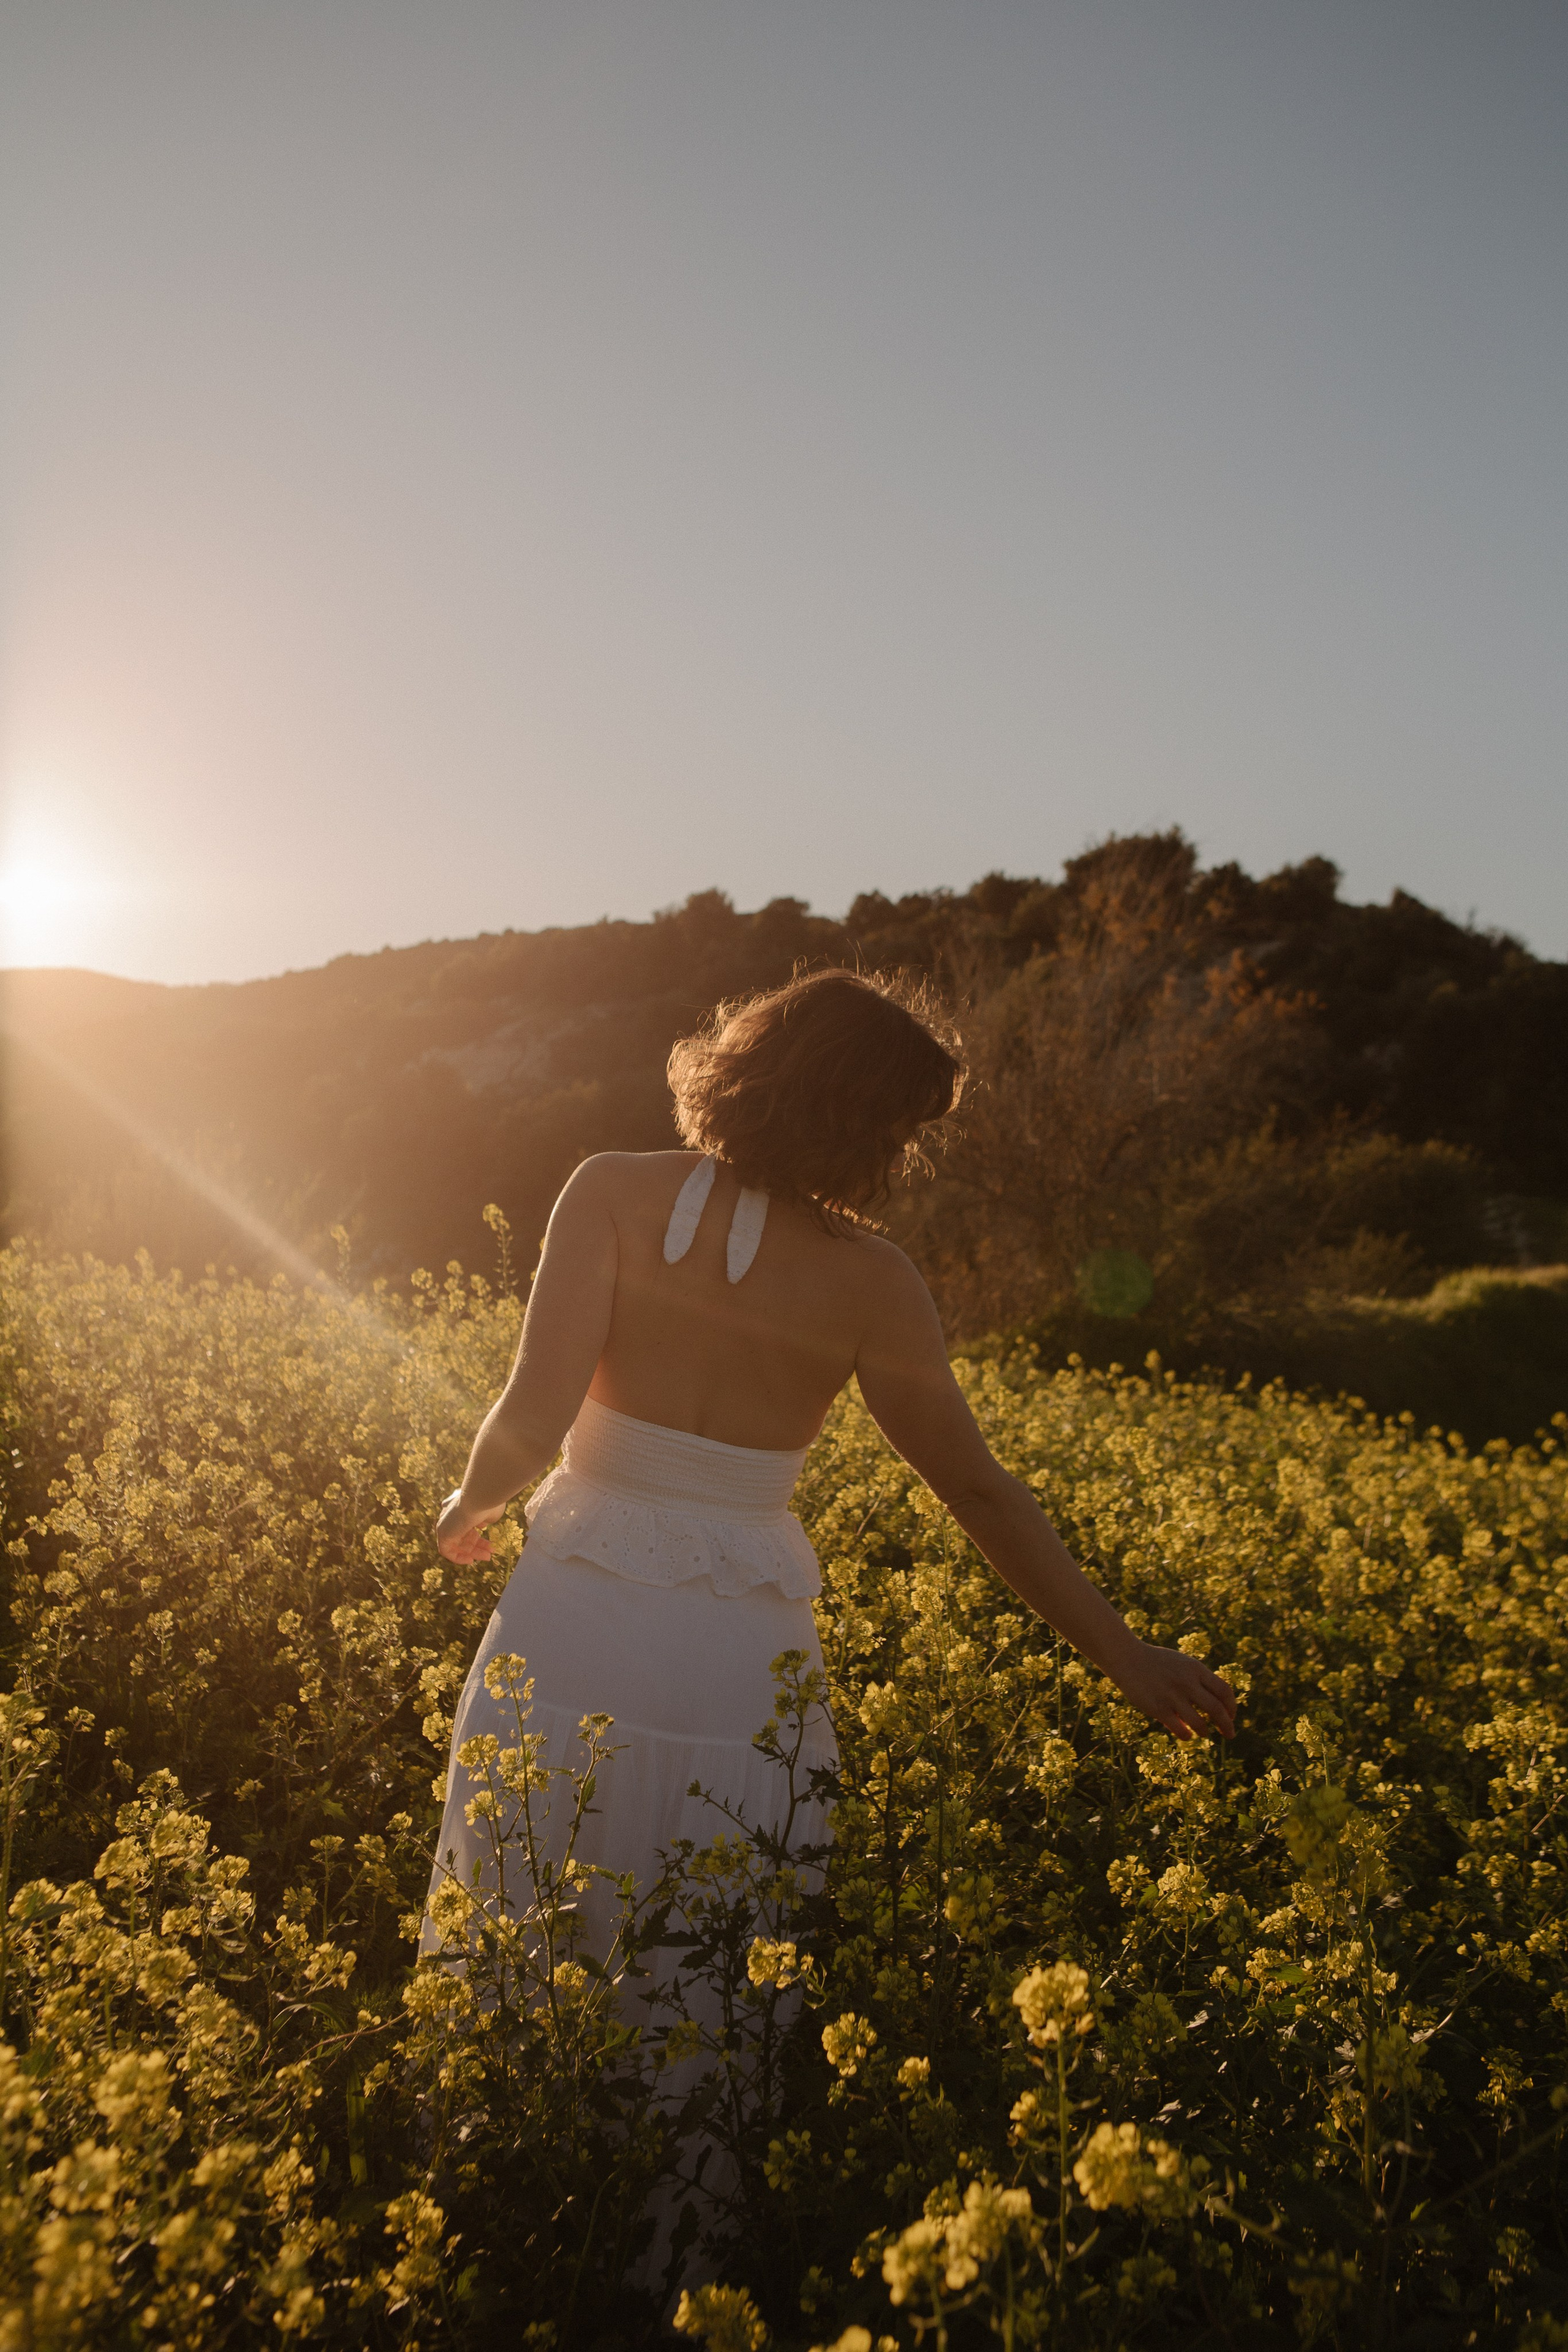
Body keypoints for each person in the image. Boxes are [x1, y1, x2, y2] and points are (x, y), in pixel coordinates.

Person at [428, 968, 1237, 1973]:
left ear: (747, 1065)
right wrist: (1127, 1656)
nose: (901, 1157)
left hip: (575, 1612)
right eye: (900, 1132)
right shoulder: (876, 1280)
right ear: (865, 1128)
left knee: (527, 1904)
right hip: (742, 1644)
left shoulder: (609, 1189)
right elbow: (977, 1489)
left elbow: (534, 1410)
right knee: (708, 1956)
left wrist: (475, 1502)